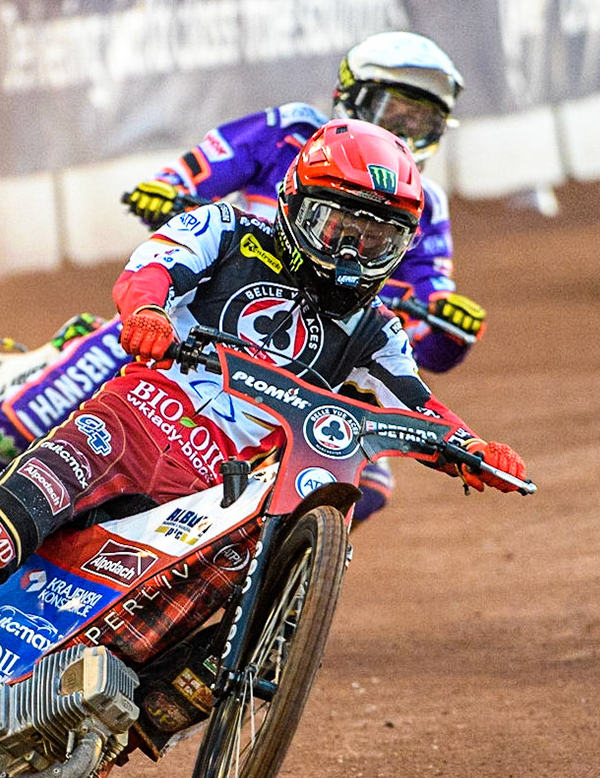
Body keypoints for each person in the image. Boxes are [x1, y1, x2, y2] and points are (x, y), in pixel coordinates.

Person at [0, 120, 527, 778]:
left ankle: (97, 730)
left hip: (213, 494)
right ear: (297, 202)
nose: (351, 253)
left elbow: (417, 405)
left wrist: (470, 447)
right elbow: (153, 266)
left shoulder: (374, 328)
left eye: (376, 240)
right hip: (131, 423)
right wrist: (145, 310)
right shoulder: (229, 228)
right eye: (338, 227)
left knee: (255, 614)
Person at [116, 30, 483, 520]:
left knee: (366, 486)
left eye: (423, 122)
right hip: (205, 312)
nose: (405, 130)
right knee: (105, 356)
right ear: (351, 98)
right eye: (394, 114)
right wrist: (165, 192)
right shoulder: (290, 131)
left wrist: (451, 333)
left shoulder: (423, 205)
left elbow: (426, 347)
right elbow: (190, 175)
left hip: (319, 364)